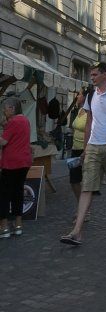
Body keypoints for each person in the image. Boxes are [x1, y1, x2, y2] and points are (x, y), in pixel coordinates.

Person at [61, 62, 106, 246]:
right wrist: (85, 148)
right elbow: (89, 123)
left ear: (105, 75)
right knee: (87, 186)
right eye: (91, 75)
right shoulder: (91, 95)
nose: (91, 78)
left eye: (95, 74)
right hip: (93, 145)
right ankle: (77, 231)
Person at [0, 98, 32, 238]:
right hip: (24, 161)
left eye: (5, 108)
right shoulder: (25, 120)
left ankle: (4, 227)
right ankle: (18, 224)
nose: (4, 111)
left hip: (11, 162)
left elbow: (3, 141)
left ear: (12, 109)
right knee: (18, 192)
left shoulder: (13, 122)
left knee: (4, 194)